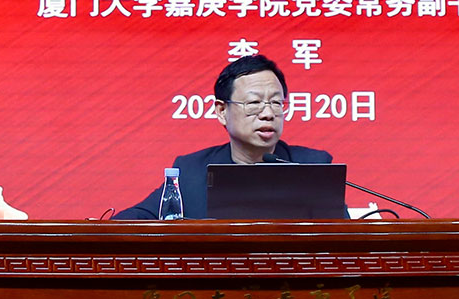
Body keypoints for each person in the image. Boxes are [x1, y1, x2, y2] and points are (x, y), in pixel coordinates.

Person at [114, 55, 340, 219]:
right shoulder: (192, 171)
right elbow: (134, 220)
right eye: (254, 103)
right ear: (222, 111)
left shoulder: (312, 167)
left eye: (276, 103)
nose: (268, 114)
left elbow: (345, 240)